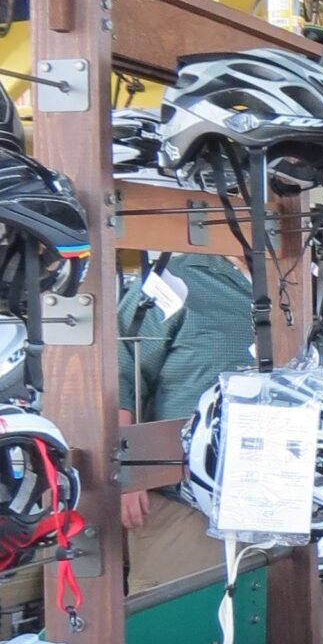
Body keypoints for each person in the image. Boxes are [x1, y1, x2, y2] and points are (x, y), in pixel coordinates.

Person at [118, 250, 255, 594]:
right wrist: (125, 472)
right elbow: (117, 373)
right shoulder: (174, 280)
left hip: (273, 500)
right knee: (177, 626)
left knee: (262, 632)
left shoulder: (304, 279)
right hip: (181, 500)